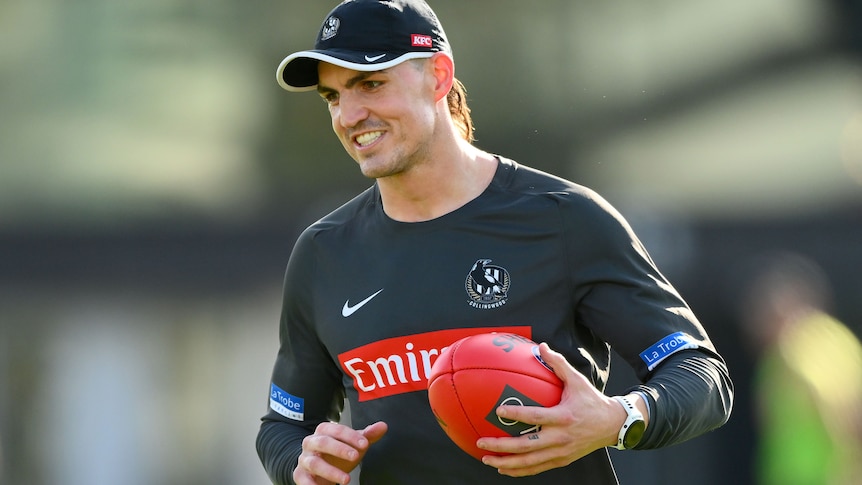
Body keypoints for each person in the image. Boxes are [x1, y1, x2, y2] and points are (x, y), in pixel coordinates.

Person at [256, 1, 733, 484]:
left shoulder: (563, 218)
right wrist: (302, 463)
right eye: (331, 96)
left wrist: (619, 417)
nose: (349, 114)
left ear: (438, 77)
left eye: (370, 84)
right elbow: (283, 424)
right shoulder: (323, 253)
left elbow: (701, 375)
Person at [739, 252, 862, 485]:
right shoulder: (839, 337)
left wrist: (850, 464)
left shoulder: (796, 345)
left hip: (816, 475)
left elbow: (841, 407)